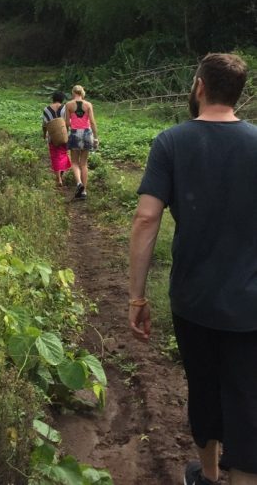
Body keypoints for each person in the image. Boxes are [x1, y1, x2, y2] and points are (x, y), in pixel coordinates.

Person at [128, 53, 257, 485]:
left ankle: (207, 474)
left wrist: (137, 296)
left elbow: (146, 219)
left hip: (193, 300)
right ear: (239, 92)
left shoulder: (170, 142)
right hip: (250, 304)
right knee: (246, 398)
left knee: (203, 386)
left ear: (199, 86)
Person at [65, 84, 99, 200]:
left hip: (74, 133)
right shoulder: (88, 105)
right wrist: (95, 138)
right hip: (87, 133)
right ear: (82, 93)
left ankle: (79, 183)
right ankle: (84, 191)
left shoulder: (68, 105)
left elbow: (67, 123)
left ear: (73, 93)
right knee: (83, 163)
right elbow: (93, 122)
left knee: (74, 162)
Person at [42, 90, 72, 186]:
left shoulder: (46, 109)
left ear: (53, 98)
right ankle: (61, 173)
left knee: (55, 156)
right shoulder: (65, 108)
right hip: (64, 135)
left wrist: (44, 134)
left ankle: (58, 178)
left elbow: (45, 124)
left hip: (52, 137)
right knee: (63, 154)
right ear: (62, 99)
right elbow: (68, 122)